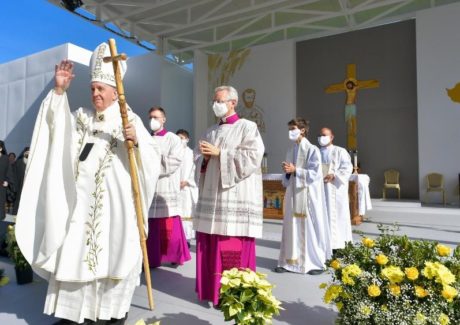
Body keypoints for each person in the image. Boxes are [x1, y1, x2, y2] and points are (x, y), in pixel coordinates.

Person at [15, 43, 160, 324]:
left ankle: (109, 313)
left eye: (100, 89)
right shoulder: (81, 117)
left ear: (115, 91)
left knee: (113, 256)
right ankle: (73, 314)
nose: (94, 94)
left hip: (116, 210)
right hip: (80, 207)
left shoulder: (130, 119)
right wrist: (59, 92)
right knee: (77, 255)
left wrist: (138, 141)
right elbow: (56, 132)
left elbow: (153, 160)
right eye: (92, 88)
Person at [194, 85, 265, 306]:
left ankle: (234, 295)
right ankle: (210, 291)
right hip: (213, 199)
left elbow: (253, 157)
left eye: (220, 100)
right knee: (211, 243)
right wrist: (203, 159)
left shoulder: (247, 127)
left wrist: (220, 154)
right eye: (214, 100)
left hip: (234, 196)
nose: (215, 104)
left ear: (232, 102)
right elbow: (199, 161)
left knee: (230, 244)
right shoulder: (211, 131)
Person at [274, 118, 331, 275]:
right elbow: (288, 174)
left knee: (309, 229)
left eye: (293, 128)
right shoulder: (291, 150)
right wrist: (287, 171)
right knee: (290, 226)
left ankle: (314, 263)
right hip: (293, 194)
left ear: (303, 130)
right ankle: (288, 262)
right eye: (289, 129)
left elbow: (315, 174)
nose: (290, 132)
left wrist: (296, 170)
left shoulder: (312, 149)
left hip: (307, 196)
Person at [146, 107, 191, 268]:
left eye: (156, 117)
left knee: (169, 222)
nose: (153, 120)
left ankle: (174, 255)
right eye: (151, 117)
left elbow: (175, 161)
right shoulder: (145, 138)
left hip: (166, 186)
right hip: (150, 188)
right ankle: (152, 258)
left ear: (164, 119)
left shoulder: (172, 138)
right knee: (151, 225)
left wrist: (151, 163)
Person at [318, 127, 353, 250]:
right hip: (320, 190)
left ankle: (340, 245)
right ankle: (323, 245)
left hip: (335, 190)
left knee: (338, 217)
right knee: (322, 217)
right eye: (320, 135)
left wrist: (334, 175)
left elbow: (347, 167)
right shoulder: (316, 152)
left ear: (331, 137)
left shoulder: (340, 151)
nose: (322, 137)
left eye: (324, 135)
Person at [176, 129, 198, 246]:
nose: (180, 140)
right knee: (176, 214)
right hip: (175, 188)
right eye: (178, 138)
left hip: (187, 188)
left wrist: (188, 181)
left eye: (182, 138)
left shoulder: (191, 153)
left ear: (187, 139)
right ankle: (177, 238)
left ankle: (186, 240)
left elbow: (195, 171)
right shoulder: (174, 152)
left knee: (186, 213)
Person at [11, 147, 29, 215]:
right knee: (18, 200)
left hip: (29, 186)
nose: (28, 154)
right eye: (26, 152)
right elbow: (14, 174)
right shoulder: (18, 162)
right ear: (24, 153)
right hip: (19, 185)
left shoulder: (33, 163)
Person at [0, 141, 14, 220]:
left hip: (1, 186)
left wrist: (7, 181)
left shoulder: (5, 159)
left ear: (1, 148)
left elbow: (9, 172)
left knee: (1, 203)